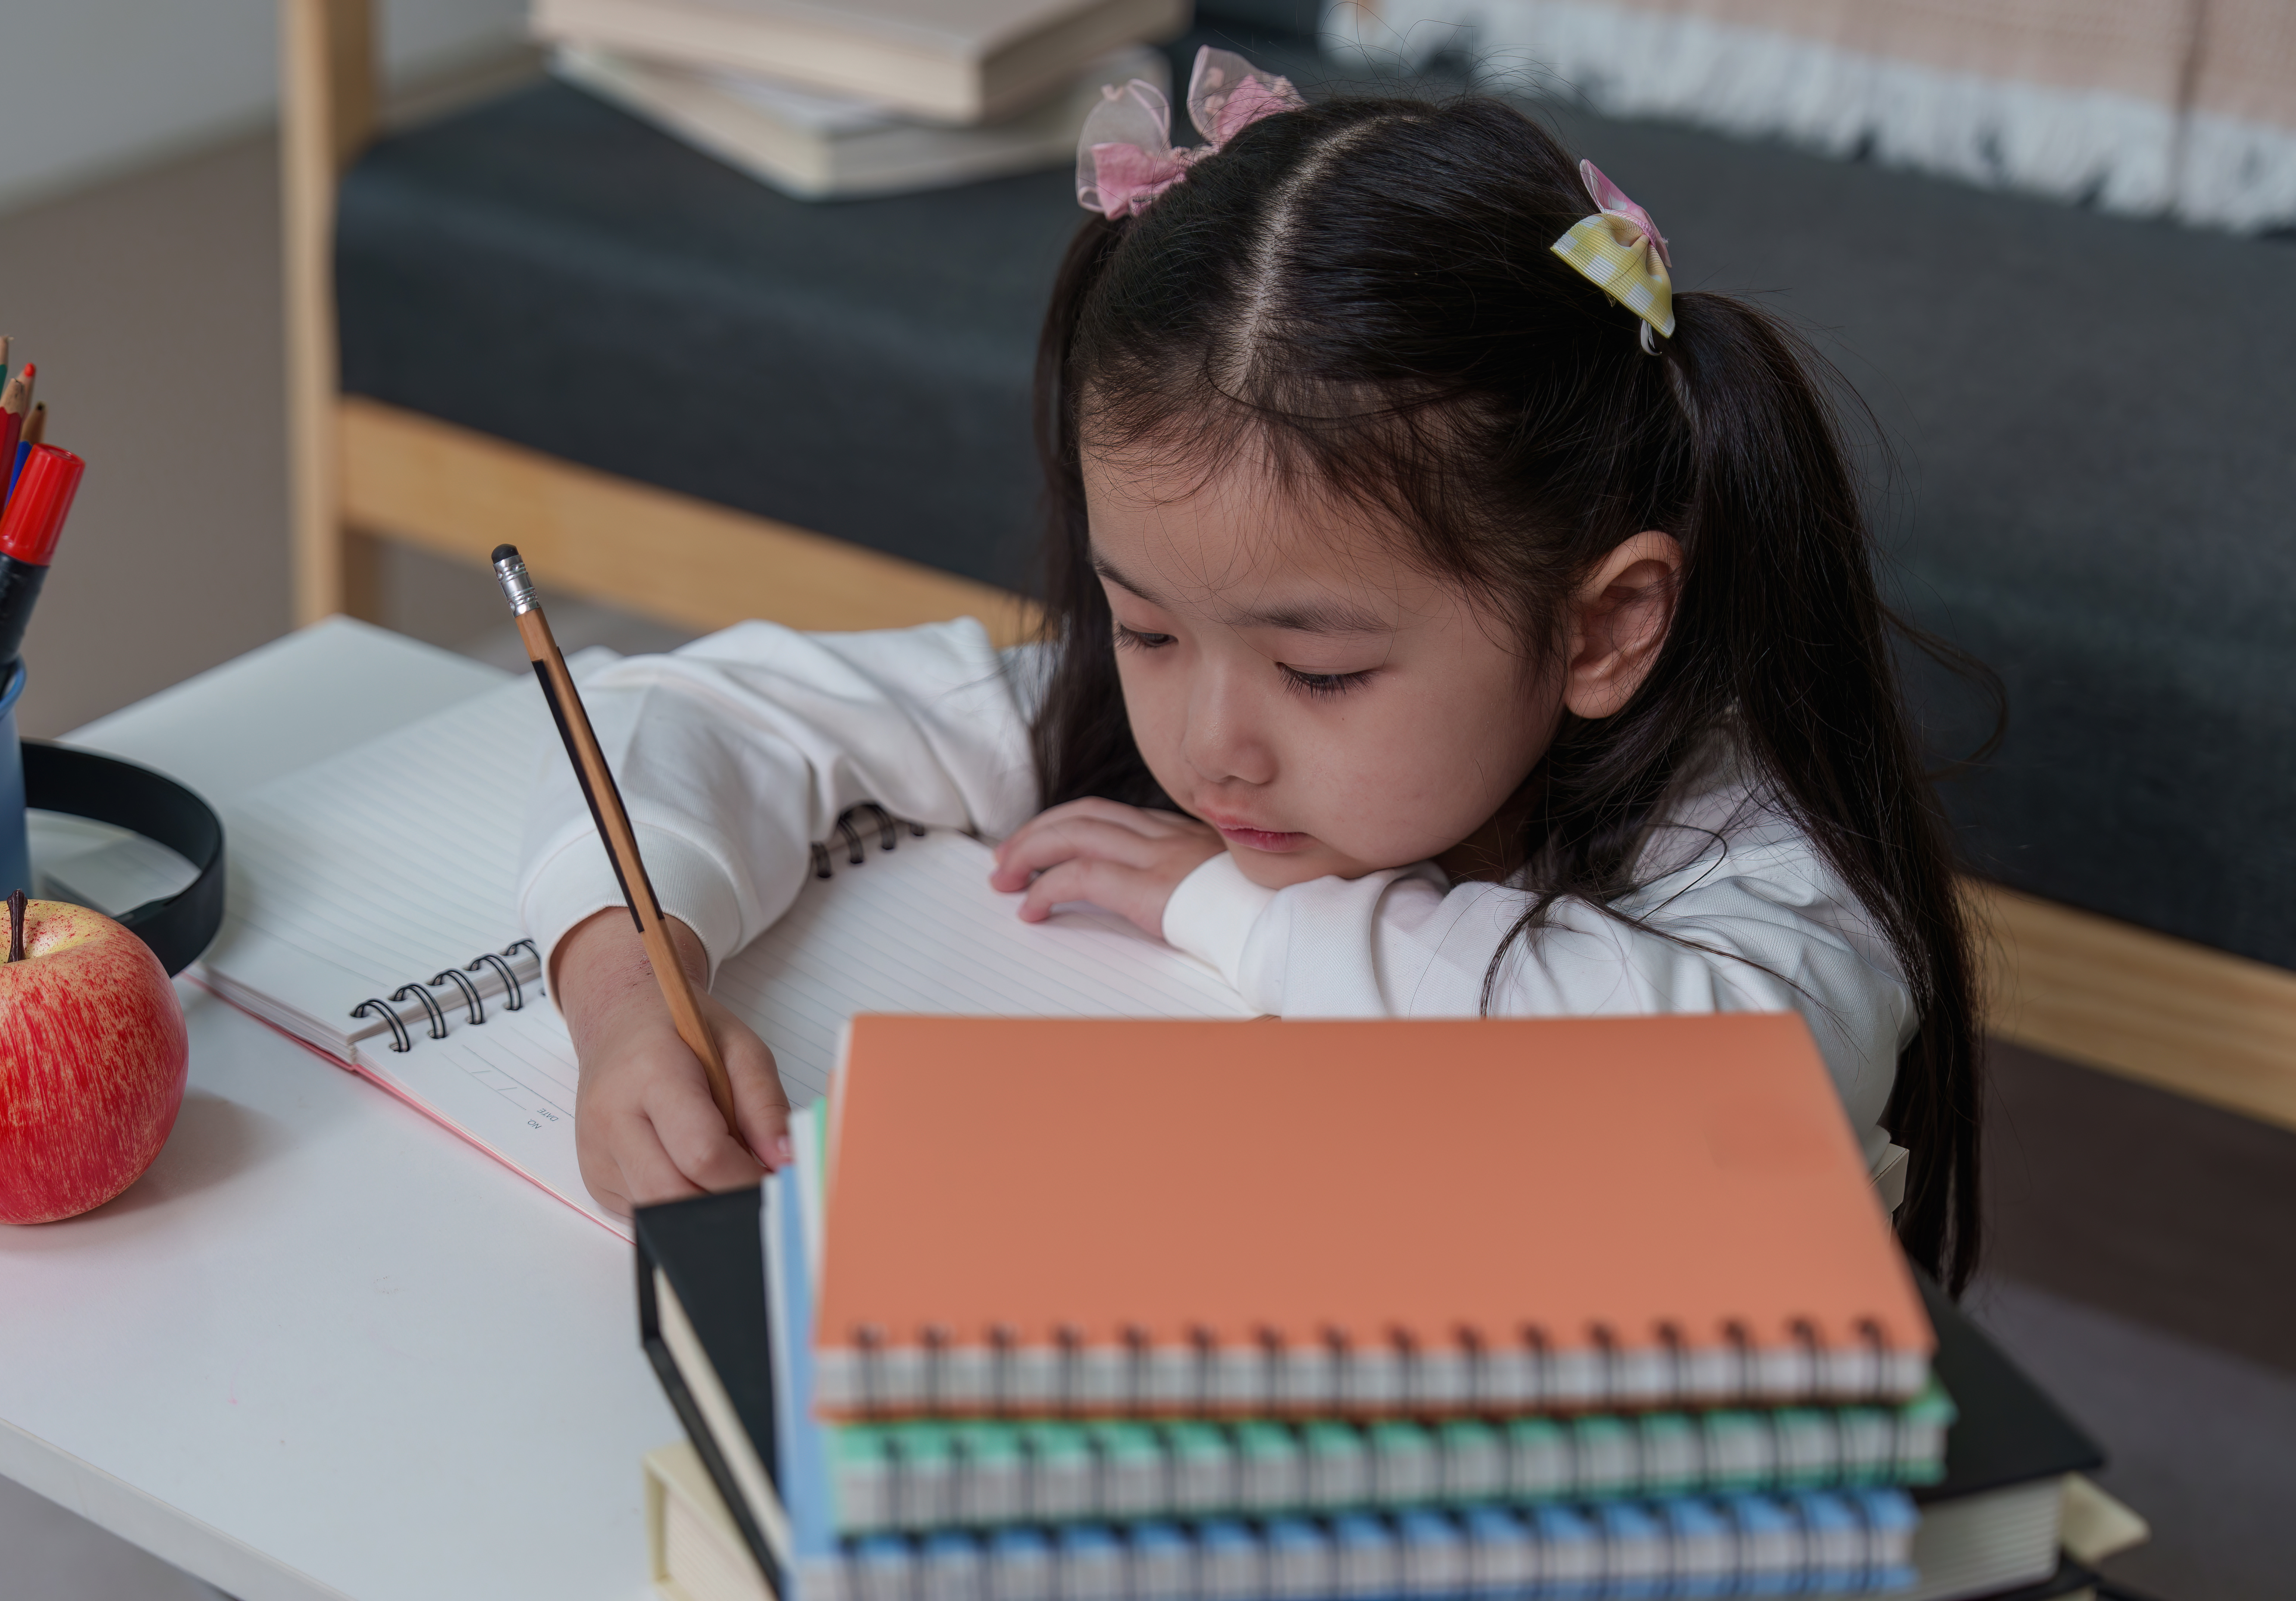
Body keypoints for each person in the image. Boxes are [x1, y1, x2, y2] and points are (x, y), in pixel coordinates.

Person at [519, 54, 1984, 1290]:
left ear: (1601, 631)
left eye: (1322, 672)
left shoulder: (1754, 858)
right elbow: (694, 709)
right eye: (1146, 629)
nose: (1211, 748)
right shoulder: (1133, 721)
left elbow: (1732, 1078)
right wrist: (628, 996)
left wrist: (1243, 908)